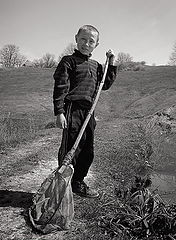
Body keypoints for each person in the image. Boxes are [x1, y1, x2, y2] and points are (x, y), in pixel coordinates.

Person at [53, 25, 117, 198]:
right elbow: (60, 87)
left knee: (87, 149)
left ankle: (78, 182)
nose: (86, 44)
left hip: (89, 112)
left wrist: (111, 63)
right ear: (76, 38)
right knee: (70, 148)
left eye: (91, 41)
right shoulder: (68, 61)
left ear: (96, 45)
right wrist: (59, 111)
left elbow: (106, 84)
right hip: (72, 109)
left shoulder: (96, 66)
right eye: (83, 39)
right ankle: (62, 183)